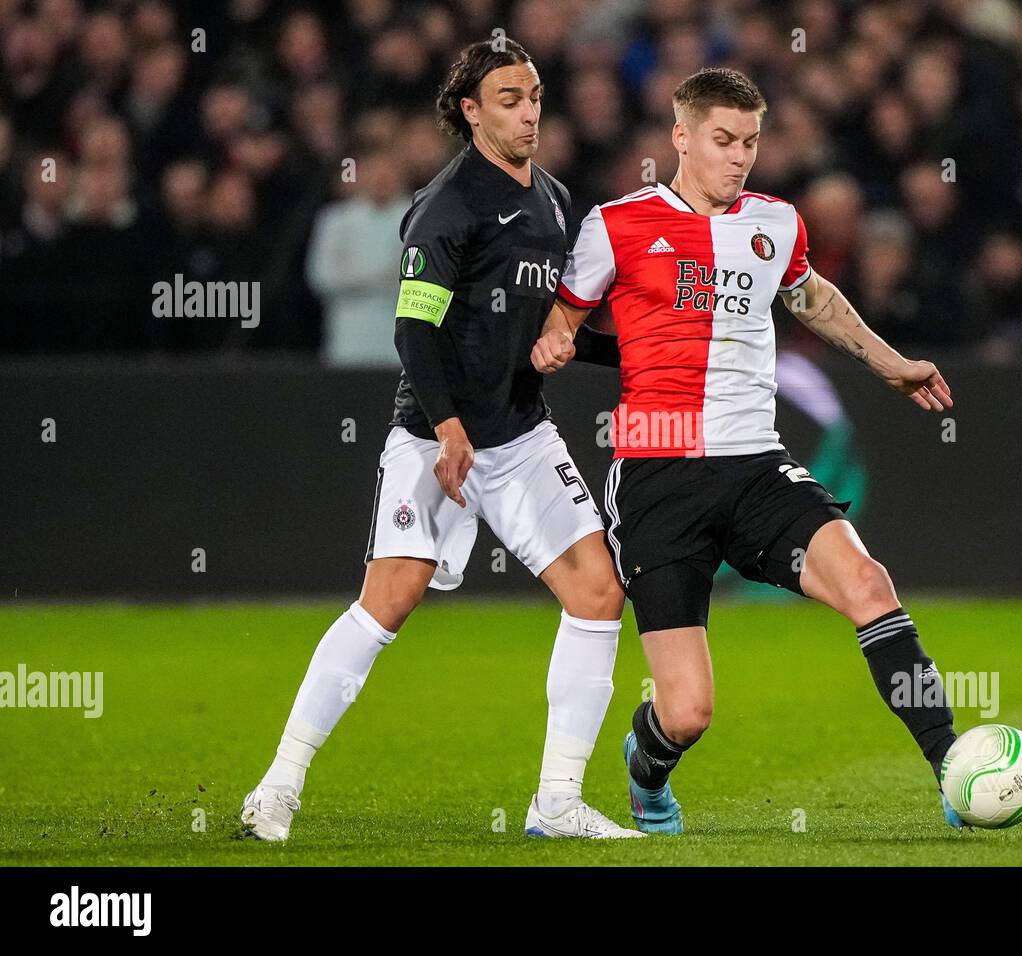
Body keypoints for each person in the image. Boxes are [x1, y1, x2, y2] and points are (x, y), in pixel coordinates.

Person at [531, 67, 965, 833]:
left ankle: (953, 768)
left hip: (758, 463)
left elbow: (812, 297)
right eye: (723, 140)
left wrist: (888, 360)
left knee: (868, 583)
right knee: (689, 712)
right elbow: (565, 315)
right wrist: (558, 337)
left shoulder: (777, 223)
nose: (739, 157)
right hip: (657, 474)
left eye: (751, 142)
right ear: (681, 137)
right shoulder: (618, 225)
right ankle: (647, 762)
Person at [241, 38, 640, 842]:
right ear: (470, 110)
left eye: (533, 95)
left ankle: (557, 803)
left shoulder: (555, 201)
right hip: (436, 436)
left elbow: (550, 324)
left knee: (599, 593)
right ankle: (278, 785)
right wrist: (450, 428)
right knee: (388, 600)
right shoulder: (448, 203)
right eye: (508, 99)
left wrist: (629, 352)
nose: (528, 111)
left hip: (521, 435)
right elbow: (414, 330)